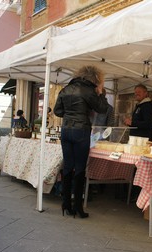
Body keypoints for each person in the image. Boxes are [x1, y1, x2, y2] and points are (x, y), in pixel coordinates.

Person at [54, 65, 109, 218]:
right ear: (96, 78)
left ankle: (66, 204)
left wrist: (71, 113)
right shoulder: (89, 91)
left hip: (66, 130)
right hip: (81, 131)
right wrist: (101, 93)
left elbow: (57, 111)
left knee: (67, 167)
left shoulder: (66, 89)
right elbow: (102, 109)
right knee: (79, 169)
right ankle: (78, 206)